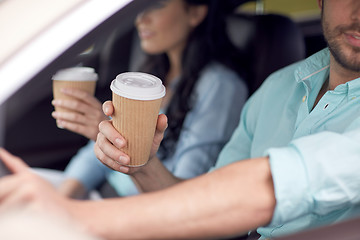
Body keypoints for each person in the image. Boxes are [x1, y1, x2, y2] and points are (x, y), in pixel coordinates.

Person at [1, 0, 360, 239]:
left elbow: (268, 186)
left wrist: (71, 216)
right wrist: (138, 163)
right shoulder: (280, 86)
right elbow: (211, 197)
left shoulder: (220, 84)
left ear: (195, 12)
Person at [52, 0, 248, 198]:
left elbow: (185, 195)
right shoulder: (152, 75)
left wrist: (118, 139)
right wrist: (62, 200)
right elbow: (93, 156)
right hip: (102, 193)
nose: (140, 19)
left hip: (140, 208)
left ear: (195, 13)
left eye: (155, 5)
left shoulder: (221, 86)